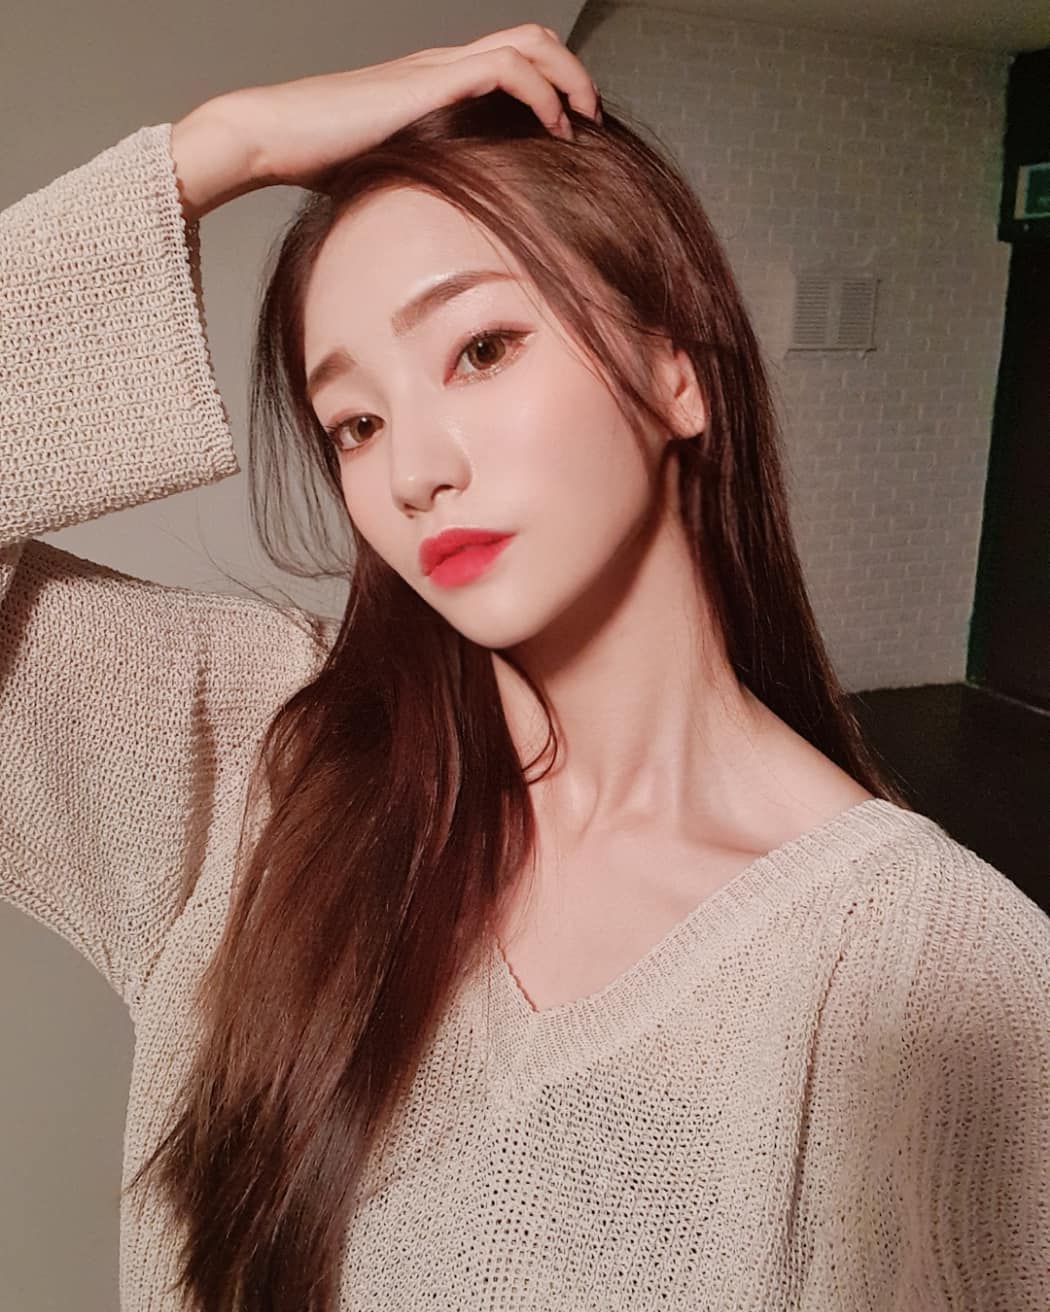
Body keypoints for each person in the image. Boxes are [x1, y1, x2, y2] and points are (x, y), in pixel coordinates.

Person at [2, 22, 1047, 1312]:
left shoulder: (933, 974)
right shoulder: (257, 770)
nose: (413, 469)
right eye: (356, 421)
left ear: (676, 374)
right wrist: (224, 148)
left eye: (483, 350)